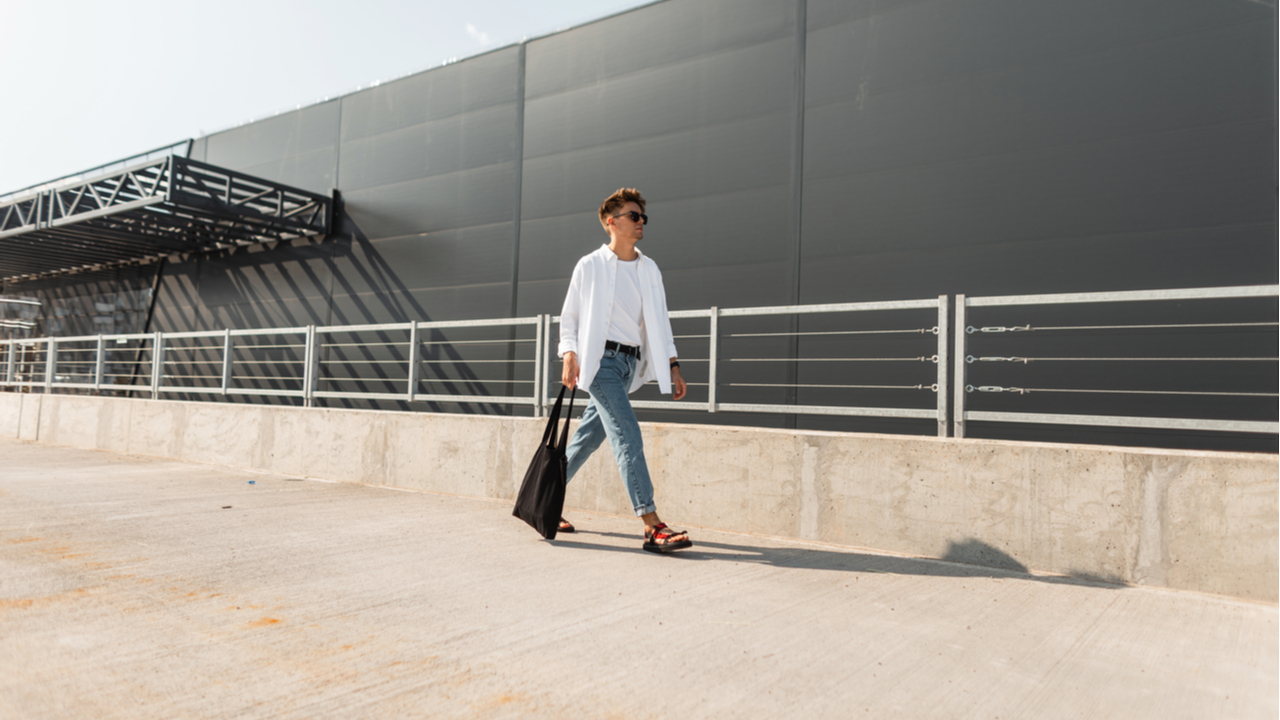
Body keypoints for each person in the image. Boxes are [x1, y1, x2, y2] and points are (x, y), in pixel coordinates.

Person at [557, 188, 692, 553]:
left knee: (586, 440)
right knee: (627, 433)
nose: (641, 222)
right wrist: (569, 354)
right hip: (600, 364)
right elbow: (569, 317)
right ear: (611, 221)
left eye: (643, 217)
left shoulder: (649, 269)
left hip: (629, 365)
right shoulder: (590, 265)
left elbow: (660, 323)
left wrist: (673, 365)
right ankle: (651, 525)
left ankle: (544, 500)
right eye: (634, 216)